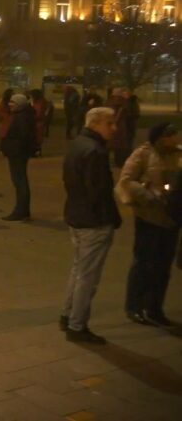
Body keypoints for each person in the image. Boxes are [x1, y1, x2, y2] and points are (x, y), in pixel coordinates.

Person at [60, 107, 121, 344]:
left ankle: (67, 315)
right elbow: (99, 191)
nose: (114, 128)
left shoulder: (78, 144)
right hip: (93, 221)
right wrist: (111, 218)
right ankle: (77, 324)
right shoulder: (95, 151)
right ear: (95, 123)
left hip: (76, 215)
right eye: (110, 123)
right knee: (88, 277)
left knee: (78, 270)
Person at [118, 123, 179, 327]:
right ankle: (134, 306)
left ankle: (154, 308)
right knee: (143, 263)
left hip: (171, 219)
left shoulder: (178, 155)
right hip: (149, 218)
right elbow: (126, 181)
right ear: (162, 137)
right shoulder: (143, 154)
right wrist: (147, 195)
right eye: (173, 135)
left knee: (163, 266)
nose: (177, 139)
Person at [0, 93, 38, 221]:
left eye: (13, 102)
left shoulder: (21, 118)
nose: (10, 104)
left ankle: (20, 211)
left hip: (17, 154)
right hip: (18, 153)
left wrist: (10, 147)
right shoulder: (22, 115)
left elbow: (22, 137)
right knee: (20, 181)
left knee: (20, 182)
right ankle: (23, 210)